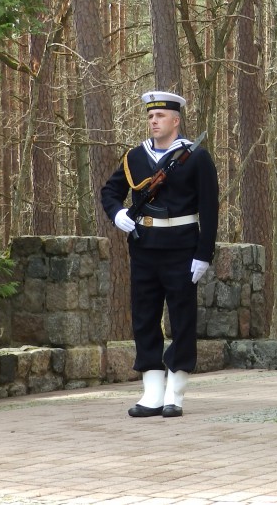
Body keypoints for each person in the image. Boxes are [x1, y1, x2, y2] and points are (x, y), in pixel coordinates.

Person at [101, 91, 219, 418]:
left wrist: (203, 253)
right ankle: (151, 391)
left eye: (161, 116)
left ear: (176, 120)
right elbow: (110, 192)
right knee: (144, 317)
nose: (154, 121)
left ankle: (175, 390)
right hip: (144, 247)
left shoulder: (196, 158)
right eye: (151, 117)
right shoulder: (135, 157)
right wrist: (117, 214)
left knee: (181, 318)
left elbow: (210, 208)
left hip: (182, 247)